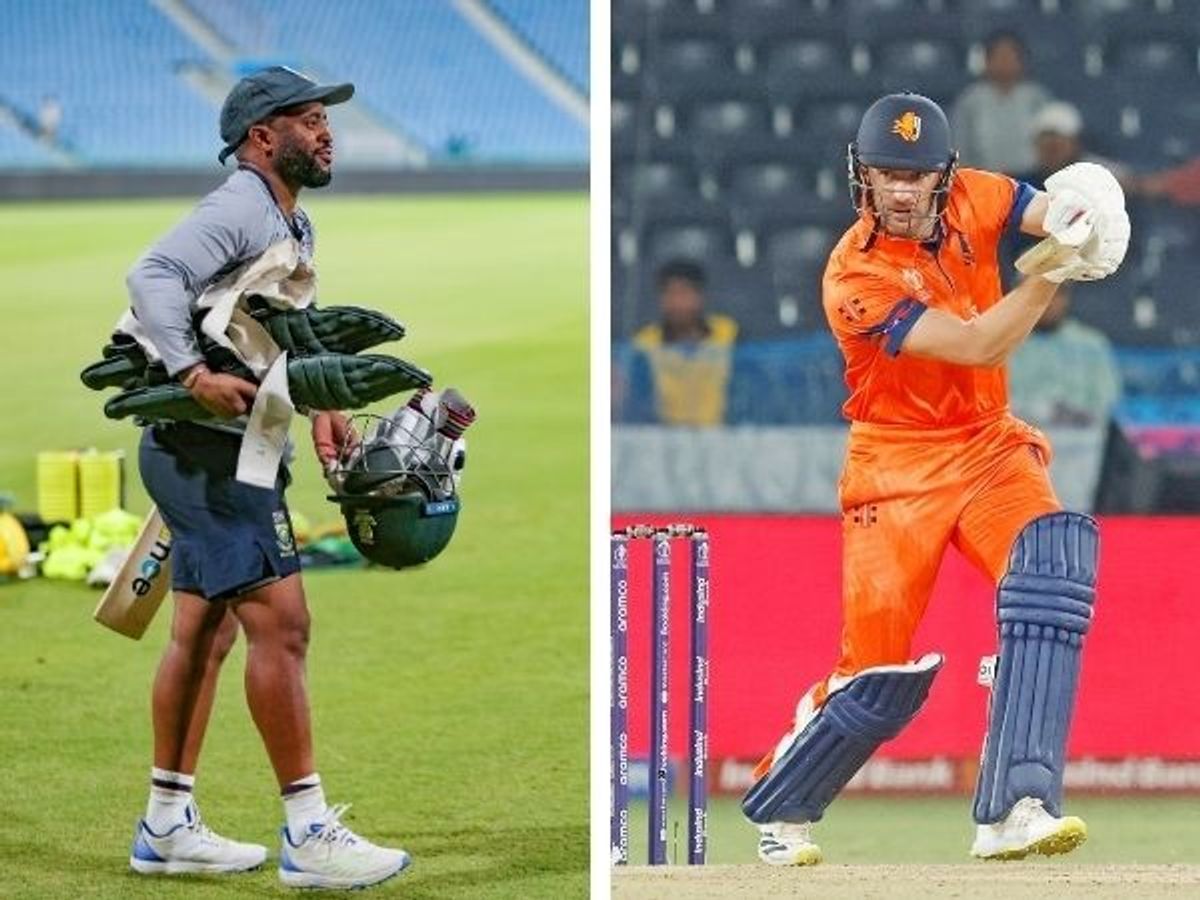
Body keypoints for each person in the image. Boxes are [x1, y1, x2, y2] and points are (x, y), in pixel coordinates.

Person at [741, 93, 1129, 865]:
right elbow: (981, 343)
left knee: (1052, 573)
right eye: (888, 174)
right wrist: (1056, 269)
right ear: (863, 180)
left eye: (917, 175)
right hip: (895, 468)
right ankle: (782, 805)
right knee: (874, 677)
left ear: (942, 176)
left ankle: (1016, 805)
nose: (904, 190)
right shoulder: (853, 278)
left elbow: (1052, 210)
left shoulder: (981, 195)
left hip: (989, 446)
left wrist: (1082, 217)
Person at [122, 67, 410, 889]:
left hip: (224, 450)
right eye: (309, 120)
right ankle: (308, 833)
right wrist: (185, 370)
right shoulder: (242, 205)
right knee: (282, 624)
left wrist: (315, 402)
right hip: (206, 453)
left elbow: (264, 328)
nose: (326, 133)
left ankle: (167, 825)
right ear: (261, 137)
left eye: (326, 120)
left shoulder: (291, 218)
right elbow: (151, 277)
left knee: (204, 636)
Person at [629, 259, 738, 426]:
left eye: (684, 293)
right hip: (664, 439)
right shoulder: (644, 342)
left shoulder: (729, 332)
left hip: (721, 435)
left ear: (700, 296)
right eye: (669, 294)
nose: (677, 303)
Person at [1009, 284, 1122, 429]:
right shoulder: (1002, 346)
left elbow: (1108, 403)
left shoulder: (1091, 345)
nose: (1048, 301)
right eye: (1037, 291)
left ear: (1066, 298)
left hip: (1079, 440)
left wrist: (1072, 414)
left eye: (1056, 293)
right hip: (1019, 441)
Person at [952, 31, 1051, 175]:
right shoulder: (970, 100)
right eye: (999, 56)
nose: (1005, 61)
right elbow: (959, 147)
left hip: (1032, 181)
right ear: (986, 61)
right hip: (984, 180)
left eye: (1011, 56)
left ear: (1022, 61)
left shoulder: (1038, 98)